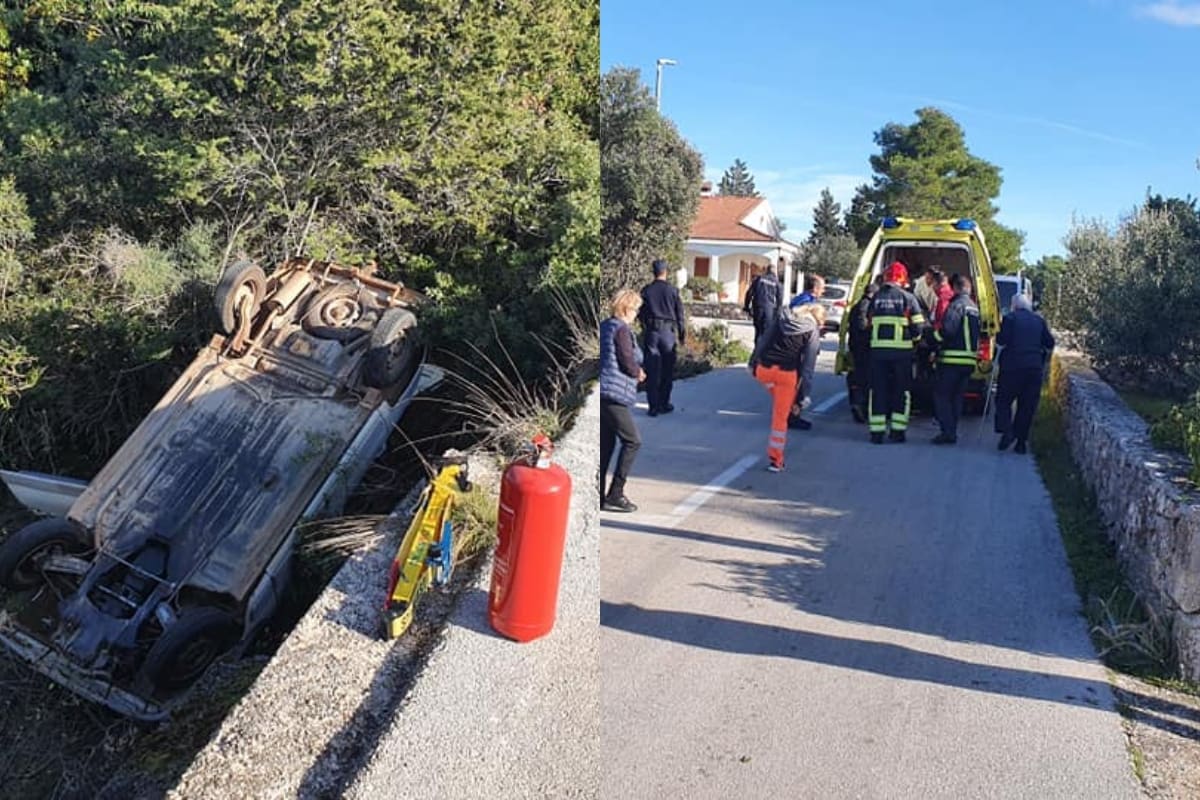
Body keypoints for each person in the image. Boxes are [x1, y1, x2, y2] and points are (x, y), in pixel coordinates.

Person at [747, 304, 822, 472]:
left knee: (782, 401)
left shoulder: (782, 318)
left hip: (764, 370)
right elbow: (808, 367)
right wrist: (804, 395)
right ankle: (776, 460)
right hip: (787, 375)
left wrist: (753, 363)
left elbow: (764, 340)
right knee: (780, 417)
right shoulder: (812, 331)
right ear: (818, 319)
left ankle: (791, 404)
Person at [867, 261, 928, 444]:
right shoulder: (908, 298)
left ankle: (877, 433)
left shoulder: (876, 297)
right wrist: (916, 342)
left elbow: (868, 322)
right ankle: (897, 431)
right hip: (902, 353)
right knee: (901, 391)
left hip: (878, 353)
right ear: (903, 279)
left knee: (878, 390)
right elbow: (918, 326)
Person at [600, 289, 646, 512]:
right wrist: (637, 372)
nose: (636, 313)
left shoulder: (606, 325)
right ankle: (616, 493)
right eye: (636, 309)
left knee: (606, 445)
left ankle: (598, 494)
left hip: (604, 392)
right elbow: (626, 359)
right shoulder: (622, 329)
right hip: (614, 393)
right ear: (627, 308)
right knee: (633, 440)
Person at [995, 294, 1055, 454]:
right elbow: (1050, 342)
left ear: (1015, 306)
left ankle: (1007, 431)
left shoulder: (1010, 318)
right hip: (1034, 368)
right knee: (1027, 406)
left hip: (1011, 368)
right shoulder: (1039, 321)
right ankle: (1021, 443)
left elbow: (1001, 340)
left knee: (1003, 401)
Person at [930, 273, 981, 444]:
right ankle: (952, 430)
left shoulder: (956, 305)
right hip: (968, 362)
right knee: (957, 398)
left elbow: (947, 331)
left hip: (952, 360)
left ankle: (948, 432)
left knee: (942, 396)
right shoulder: (973, 307)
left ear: (956, 288)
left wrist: (931, 338)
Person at [638, 259, 686, 417]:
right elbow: (680, 314)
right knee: (667, 371)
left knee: (652, 371)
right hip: (668, 333)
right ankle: (663, 404)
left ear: (653, 272)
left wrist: (646, 328)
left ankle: (652, 407)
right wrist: (681, 334)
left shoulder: (646, 290)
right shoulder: (673, 290)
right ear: (665, 272)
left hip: (652, 332)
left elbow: (640, 313)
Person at [847, 275, 883, 423]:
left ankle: (857, 403)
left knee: (858, 377)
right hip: (864, 348)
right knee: (866, 379)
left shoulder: (858, 304)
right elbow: (863, 326)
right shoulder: (866, 305)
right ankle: (861, 406)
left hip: (856, 346)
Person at [743, 260, 782, 345]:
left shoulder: (758, 279)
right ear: (775, 273)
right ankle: (762, 353)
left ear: (767, 271)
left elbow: (749, 293)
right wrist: (777, 314)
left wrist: (746, 307)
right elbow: (780, 300)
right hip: (769, 311)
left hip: (758, 308)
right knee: (766, 333)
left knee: (758, 331)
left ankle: (756, 350)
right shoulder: (777, 283)